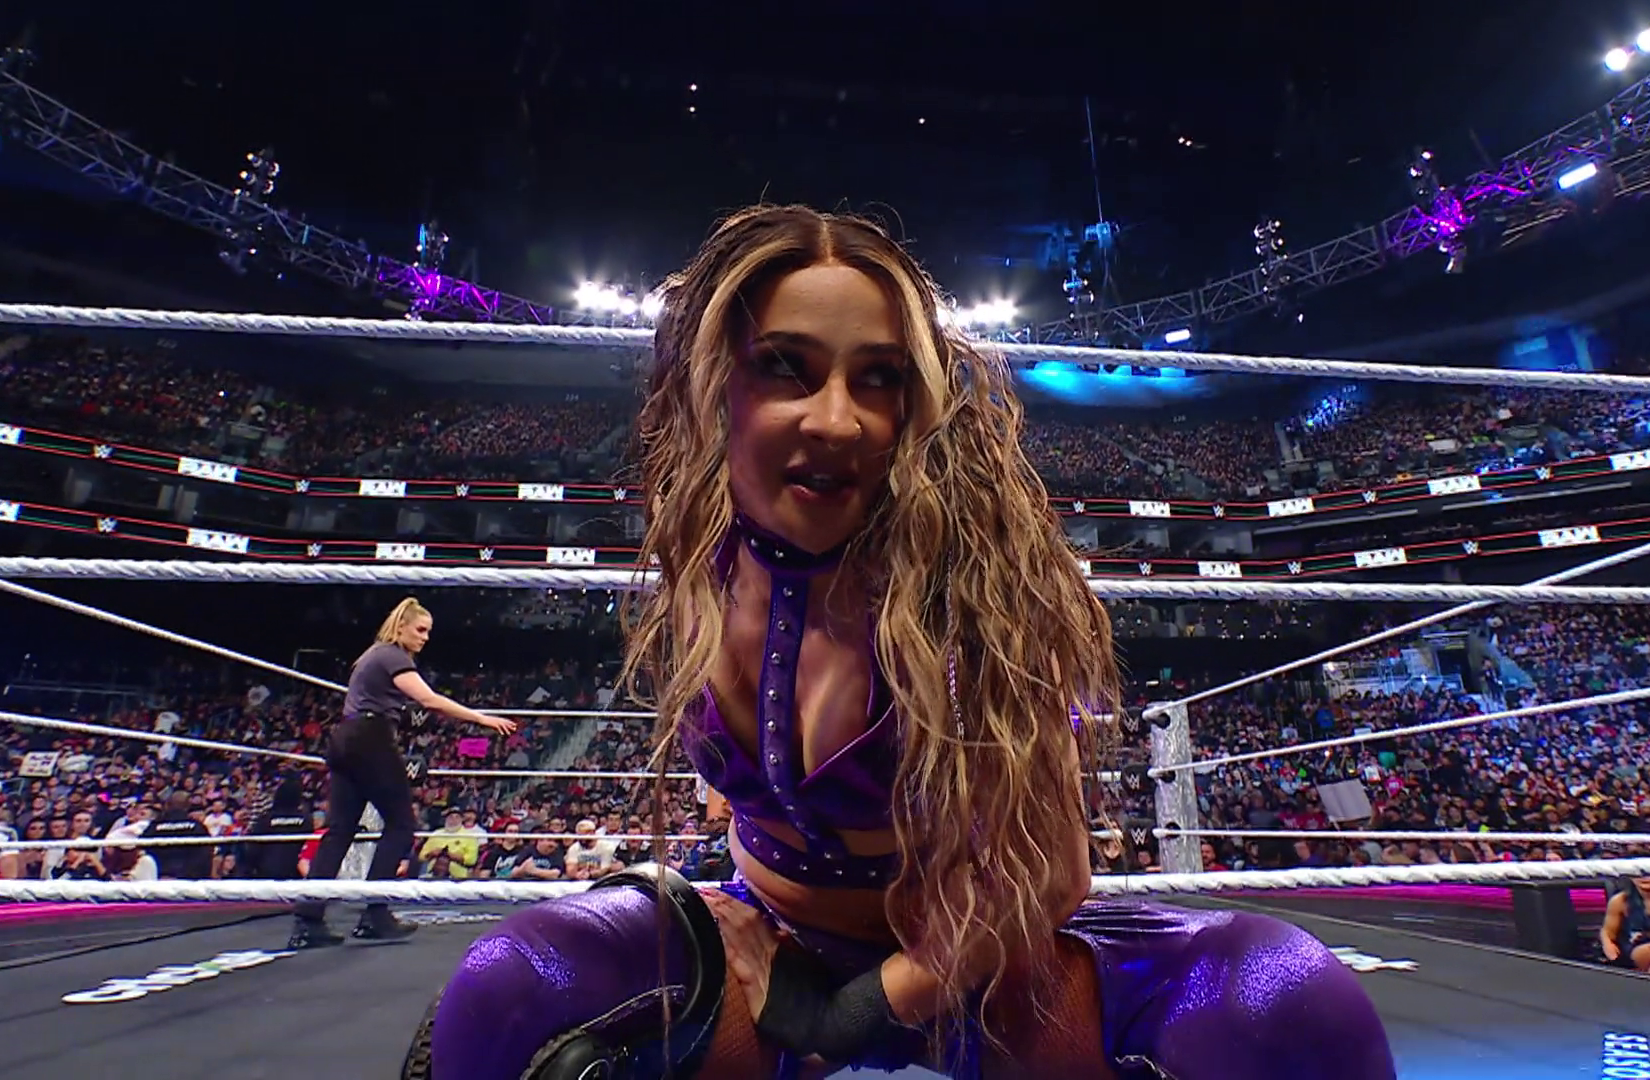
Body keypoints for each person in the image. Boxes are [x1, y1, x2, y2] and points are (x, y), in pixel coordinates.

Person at [421, 207, 1395, 1080]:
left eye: (878, 378)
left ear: (916, 402)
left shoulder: (982, 581)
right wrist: (753, 940)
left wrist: (847, 1014)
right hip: (767, 950)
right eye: (786, 366)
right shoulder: (696, 555)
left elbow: (1054, 874)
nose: (836, 419)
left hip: (971, 961)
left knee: (1285, 1003)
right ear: (714, 384)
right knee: (512, 988)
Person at [289, 597, 518, 950]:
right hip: (370, 739)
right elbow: (428, 699)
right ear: (401, 627)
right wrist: (480, 718)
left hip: (346, 738)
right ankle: (375, 914)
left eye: (428, 631)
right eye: (420, 630)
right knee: (401, 824)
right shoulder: (393, 655)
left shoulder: (372, 655)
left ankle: (308, 919)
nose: (425, 637)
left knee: (340, 829)